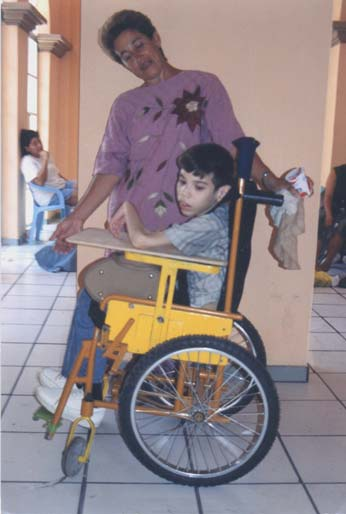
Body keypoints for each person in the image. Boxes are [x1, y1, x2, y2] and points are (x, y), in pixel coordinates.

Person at [34, 9, 305, 427]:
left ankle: (84, 386)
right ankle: (89, 381)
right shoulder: (125, 105)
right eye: (125, 57)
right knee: (109, 297)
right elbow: (109, 168)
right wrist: (77, 217)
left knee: (103, 292)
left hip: (179, 239)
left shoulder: (203, 86)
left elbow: (234, 147)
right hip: (133, 228)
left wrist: (271, 182)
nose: (136, 59)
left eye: (138, 46)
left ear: (156, 38)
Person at [20, 129, 78, 208]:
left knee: (84, 184)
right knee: (81, 194)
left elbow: (57, 174)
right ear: (27, 148)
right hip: (49, 195)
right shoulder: (27, 161)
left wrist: (69, 184)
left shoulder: (45, 155)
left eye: (39, 142)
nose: (39, 145)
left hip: (61, 186)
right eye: (35, 144)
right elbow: (40, 182)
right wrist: (45, 160)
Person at [316, 164, 346, 271]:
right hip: (330, 204)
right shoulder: (336, 172)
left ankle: (327, 263)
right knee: (322, 220)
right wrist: (329, 214)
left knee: (343, 225)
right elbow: (327, 196)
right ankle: (314, 261)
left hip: (344, 210)